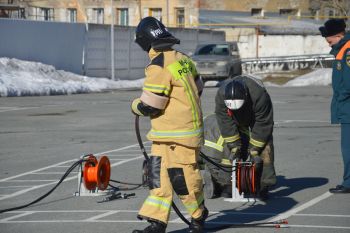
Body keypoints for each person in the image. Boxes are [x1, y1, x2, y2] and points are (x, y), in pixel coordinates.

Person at [131, 17, 208, 233]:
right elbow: (199, 87)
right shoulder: (183, 59)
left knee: (183, 180)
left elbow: (150, 106)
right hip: (166, 135)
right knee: (158, 178)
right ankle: (157, 222)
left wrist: (135, 105)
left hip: (180, 135)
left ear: (145, 42)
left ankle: (198, 215)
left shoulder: (159, 65)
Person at [214, 75, 277, 200]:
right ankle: (231, 183)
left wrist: (254, 150)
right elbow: (225, 123)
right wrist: (234, 147)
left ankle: (264, 184)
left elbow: (263, 124)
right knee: (230, 147)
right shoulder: (221, 96)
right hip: (234, 118)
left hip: (256, 117)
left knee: (265, 147)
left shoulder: (260, 96)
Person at [319, 19, 350, 194]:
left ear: (339, 35)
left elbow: (348, 82)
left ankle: (348, 183)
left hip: (348, 107)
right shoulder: (343, 49)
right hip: (346, 106)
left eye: (329, 40)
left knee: (348, 148)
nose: (328, 43)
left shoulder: (347, 51)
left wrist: (342, 96)